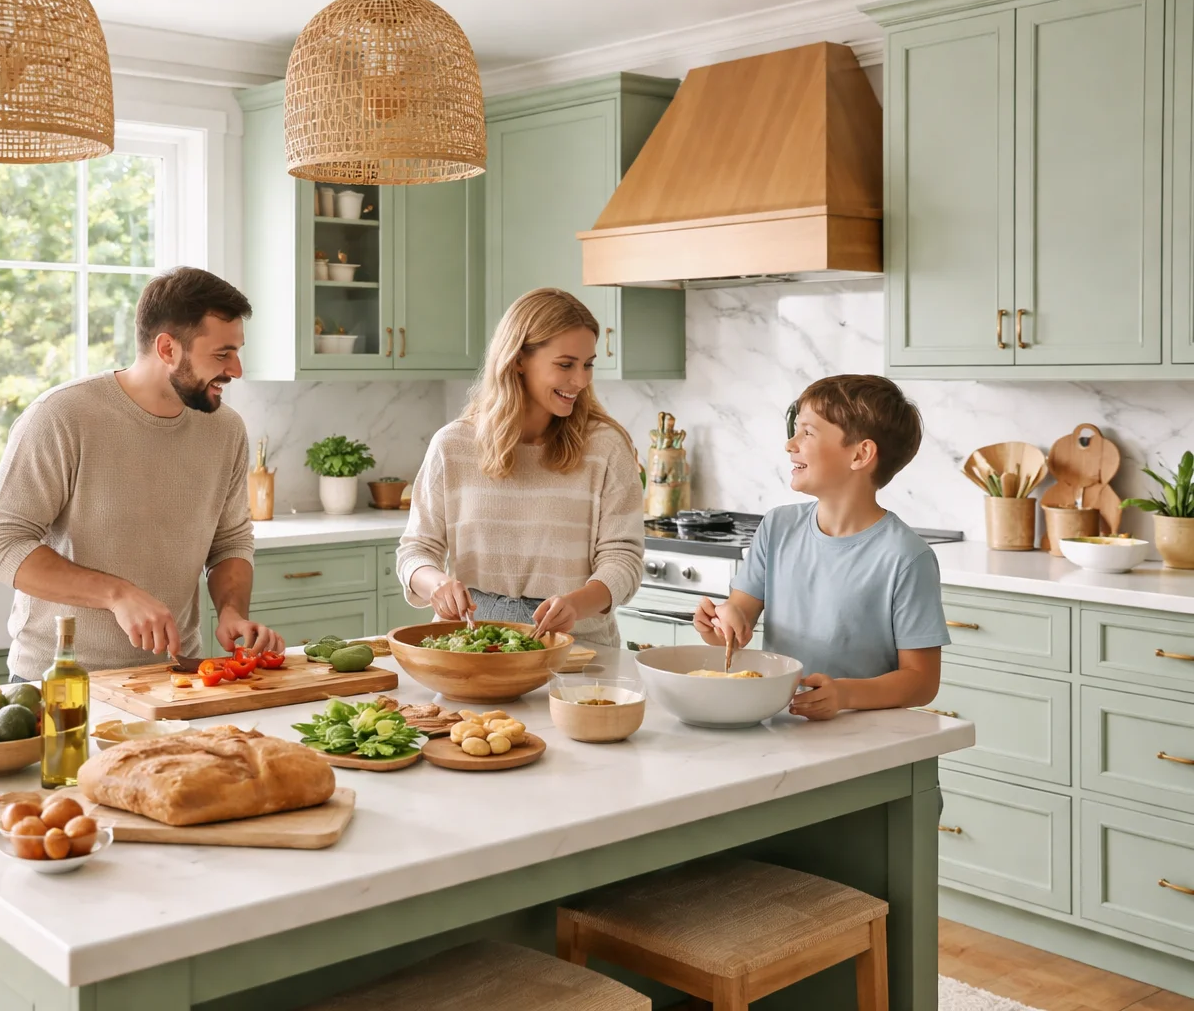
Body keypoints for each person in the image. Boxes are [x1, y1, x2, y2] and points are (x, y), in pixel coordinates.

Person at [0, 266, 283, 682]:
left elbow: (229, 541)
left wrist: (231, 612)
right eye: (221, 354)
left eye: (236, 351)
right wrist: (117, 594)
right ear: (167, 348)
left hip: (176, 677)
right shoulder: (62, 417)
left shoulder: (225, 429)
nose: (237, 369)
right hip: (61, 680)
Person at [396, 287, 644, 647]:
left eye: (587, 364)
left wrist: (576, 604)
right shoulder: (453, 446)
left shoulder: (606, 447)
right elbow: (415, 550)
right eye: (565, 364)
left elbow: (623, 560)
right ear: (517, 360)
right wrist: (436, 584)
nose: (581, 380)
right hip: (471, 649)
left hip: (577, 655)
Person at [692, 374, 949, 719]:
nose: (790, 444)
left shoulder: (906, 557)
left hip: (862, 734)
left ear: (860, 454)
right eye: (795, 429)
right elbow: (739, 618)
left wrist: (844, 694)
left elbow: (922, 681)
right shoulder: (777, 526)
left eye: (808, 432)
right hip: (780, 723)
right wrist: (723, 623)